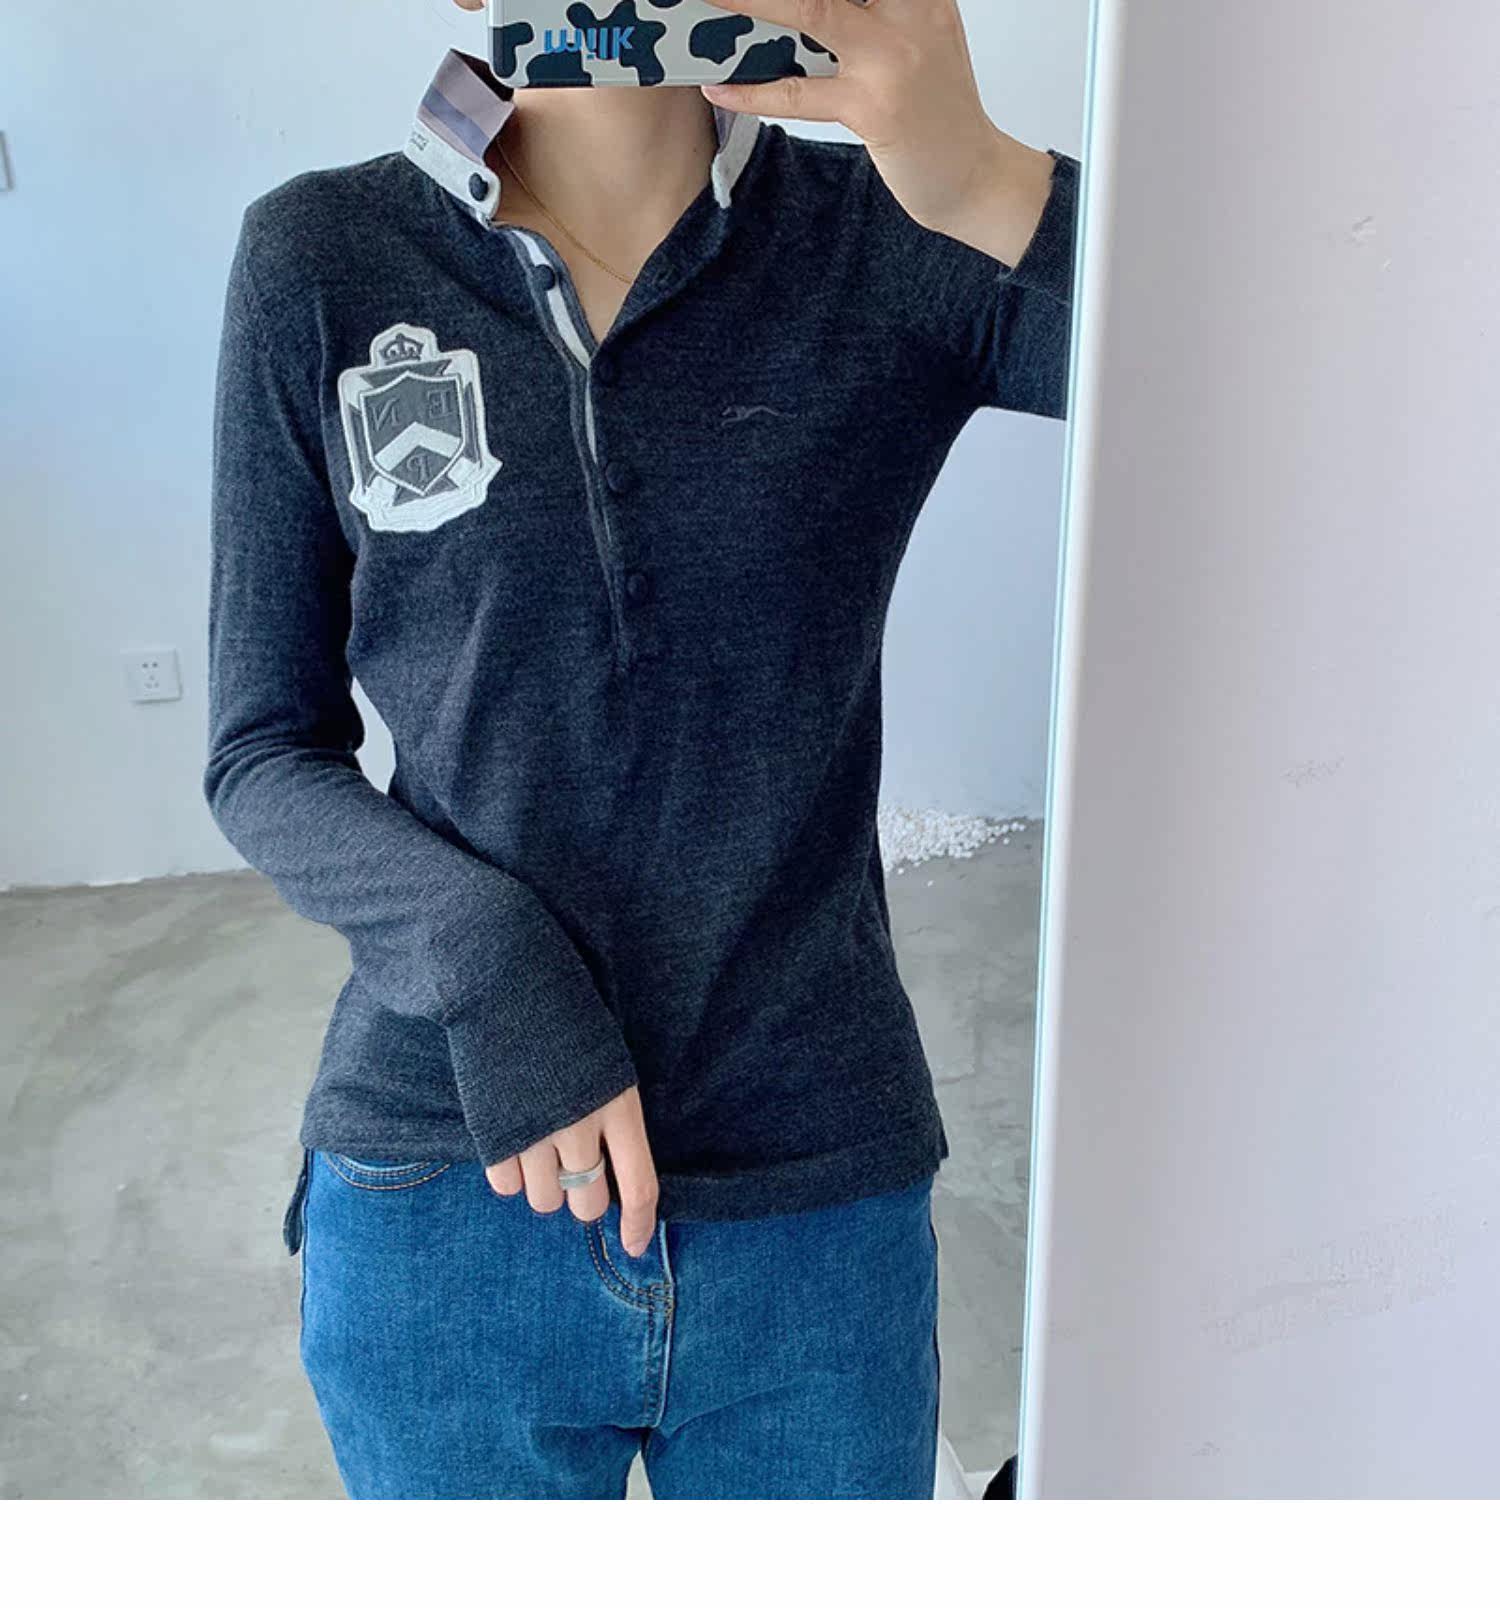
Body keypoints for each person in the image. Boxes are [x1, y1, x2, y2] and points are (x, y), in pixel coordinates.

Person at [204, 0, 1079, 1499]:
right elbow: (263, 750)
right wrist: (487, 960)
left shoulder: (896, 233)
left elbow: (1281, 393)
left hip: (813, 1196)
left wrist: (990, 177)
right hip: (447, 1184)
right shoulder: (323, 258)